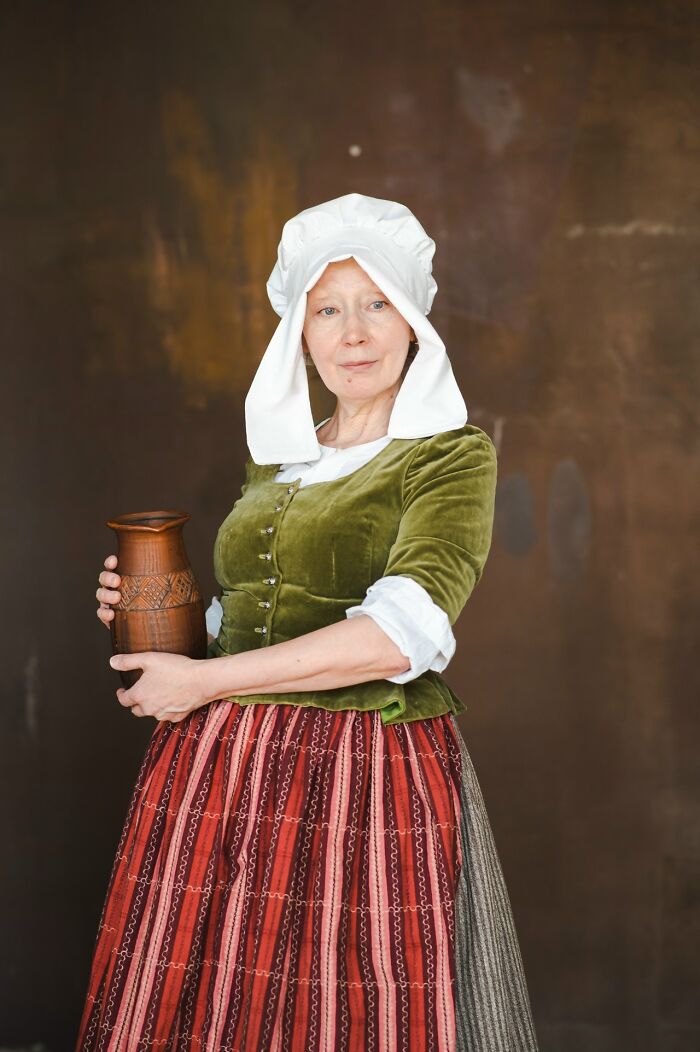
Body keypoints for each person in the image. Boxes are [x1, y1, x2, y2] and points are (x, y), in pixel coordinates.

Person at [77, 193, 540, 1051]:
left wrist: (204, 680)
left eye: (376, 305)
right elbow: (252, 614)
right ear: (300, 329)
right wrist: (161, 620)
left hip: (361, 771)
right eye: (327, 309)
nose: (353, 333)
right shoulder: (282, 456)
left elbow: (398, 636)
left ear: (411, 324)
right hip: (218, 769)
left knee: (347, 1009)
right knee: (204, 1006)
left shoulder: (448, 454)